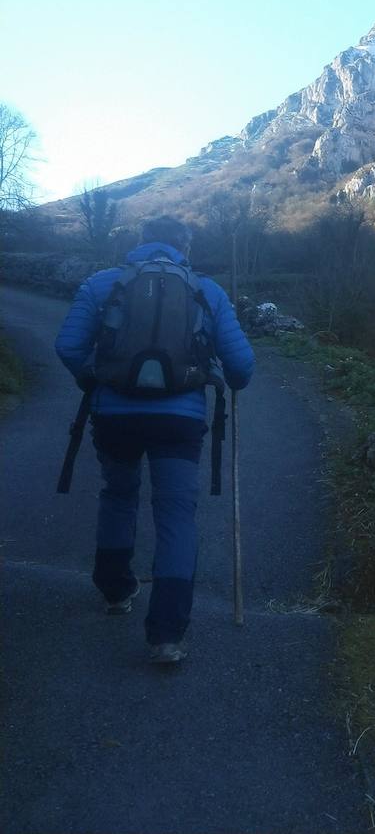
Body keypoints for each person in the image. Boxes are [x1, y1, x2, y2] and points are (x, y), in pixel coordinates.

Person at [54, 215, 254, 664]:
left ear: (139, 243)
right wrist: (227, 377)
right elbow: (242, 367)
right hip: (179, 422)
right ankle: (166, 635)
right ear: (186, 247)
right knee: (176, 514)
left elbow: (67, 347)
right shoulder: (207, 290)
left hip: (115, 416)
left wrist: (94, 380)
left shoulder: (103, 284)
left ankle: (116, 589)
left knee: (119, 495)